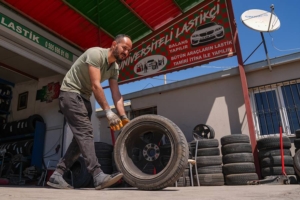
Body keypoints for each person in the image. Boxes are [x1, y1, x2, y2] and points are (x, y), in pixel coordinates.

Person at [47, 34, 132, 190]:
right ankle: (97, 174)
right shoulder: (95, 54)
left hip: (84, 99)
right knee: (86, 132)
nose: (126, 53)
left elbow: (116, 93)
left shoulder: (114, 68)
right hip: (70, 93)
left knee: (80, 141)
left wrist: (124, 117)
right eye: (124, 48)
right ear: (114, 44)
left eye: (129, 51)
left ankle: (56, 175)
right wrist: (108, 112)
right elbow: (96, 85)